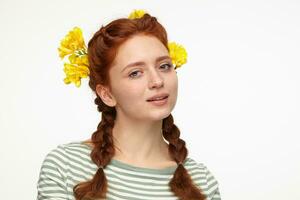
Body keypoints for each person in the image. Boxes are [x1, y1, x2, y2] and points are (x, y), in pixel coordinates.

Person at [36, 10, 222, 200]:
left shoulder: (202, 182)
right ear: (107, 94)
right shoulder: (66, 166)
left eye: (164, 66)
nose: (157, 81)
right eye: (135, 73)